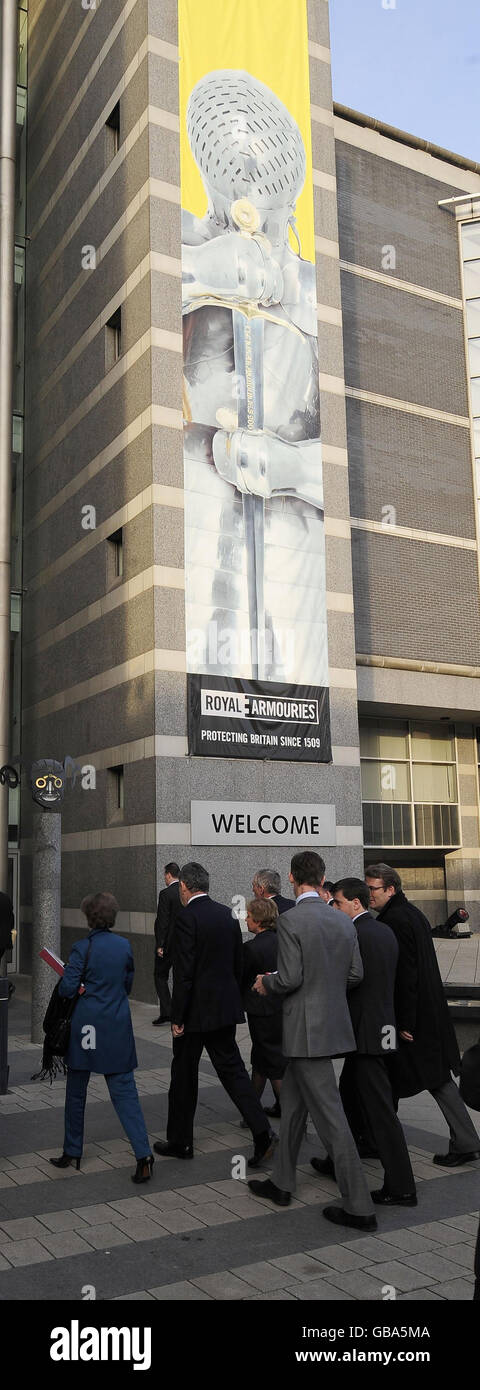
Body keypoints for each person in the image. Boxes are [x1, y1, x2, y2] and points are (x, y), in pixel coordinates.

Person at [248, 851, 377, 1231]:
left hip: (303, 1031)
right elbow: (354, 974)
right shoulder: (342, 920)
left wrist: (264, 982)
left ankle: (359, 1205)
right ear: (321, 878)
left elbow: (288, 979)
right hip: (330, 1026)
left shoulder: (290, 920)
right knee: (292, 1108)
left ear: (291, 878)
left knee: (332, 1119)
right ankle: (282, 1183)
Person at [154, 863, 275, 1166]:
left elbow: (184, 974)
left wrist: (177, 1017)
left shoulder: (186, 918)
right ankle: (262, 1131)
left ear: (184, 887)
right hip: (222, 1010)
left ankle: (181, 1141)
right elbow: (237, 963)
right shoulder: (227, 915)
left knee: (183, 1075)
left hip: (194, 1014)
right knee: (233, 1073)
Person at [365, 864, 480, 1167]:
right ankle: (464, 1140)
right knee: (431, 1077)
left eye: (373, 888)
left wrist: (405, 1021)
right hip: (428, 1012)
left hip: (414, 1018)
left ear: (390, 889)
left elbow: (406, 974)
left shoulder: (394, 920)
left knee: (414, 1077)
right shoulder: (410, 914)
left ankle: (379, 1140)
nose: (368, 894)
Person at [311, 878, 416, 1207]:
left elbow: (350, 981)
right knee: (349, 1099)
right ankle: (336, 1160)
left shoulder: (357, 933)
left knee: (380, 1112)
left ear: (356, 904)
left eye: (338, 903)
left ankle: (401, 1186)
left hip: (366, 1035)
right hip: (378, 1029)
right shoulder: (383, 931)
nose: (335, 908)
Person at [50, 893, 153, 1184]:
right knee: (124, 1092)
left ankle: (72, 1150)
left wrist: (76, 980)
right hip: (117, 1025)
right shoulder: (124, 945)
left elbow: (67, 989)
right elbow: (128, 983)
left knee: (77, 1089)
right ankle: (143, 1155)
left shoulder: (83, 948)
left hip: (86, 1028)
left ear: (89, 917)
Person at [242, 897, 286, 1120]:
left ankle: (289, 1112)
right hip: (281, 1006)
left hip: (260, 1010)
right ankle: (252, 1110)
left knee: (270, 1059)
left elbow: (241, 978)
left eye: (249, 916)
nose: (246, 919)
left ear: (258, 920)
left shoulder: (250, 948)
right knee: (261, 1058)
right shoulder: (284, 942)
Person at [153, 862, 181, 1026]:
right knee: (179, 977)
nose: (164, 878)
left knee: (160, 975)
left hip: (168, 944)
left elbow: (163, 921)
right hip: (182, 943)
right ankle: (178, 1011)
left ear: (169, 874)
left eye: (165, 875)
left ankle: (167, 1011)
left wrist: (160, 944)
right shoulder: (185, 891)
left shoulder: (166, 893)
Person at [0, 890, 15, 998]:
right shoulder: (6, 898)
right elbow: (11, 919)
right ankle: (6, 988)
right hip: (2, 942)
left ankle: (6, 987)